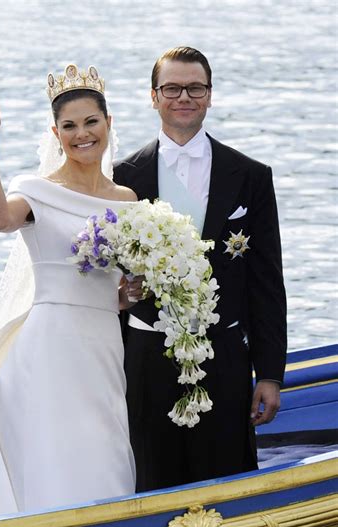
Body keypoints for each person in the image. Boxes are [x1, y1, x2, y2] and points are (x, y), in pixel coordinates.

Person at [0, 64, 143, 525]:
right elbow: (0, 219)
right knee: (52, 454)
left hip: (102, 345)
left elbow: (118, 288)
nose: (82, 134)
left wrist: (131, 292)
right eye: (69, 126)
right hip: (49, 348)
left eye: (91, 122)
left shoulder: (127, 200)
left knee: (103, 451)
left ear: (108, 124)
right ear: (55, 133)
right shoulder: (38, 192)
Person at [113, 46, 287, 492]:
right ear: (153, 97)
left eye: (195, 87)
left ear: (210, 95)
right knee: (149, 478)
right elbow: (106, 280)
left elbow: (267, 282)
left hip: (226, 353)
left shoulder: (251, 175)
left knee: (228, 481)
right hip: (146, 357)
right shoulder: (119, 179)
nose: (183, 96)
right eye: (172, 88)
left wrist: (269, 374)